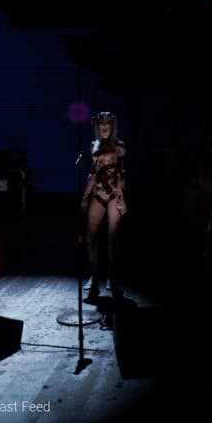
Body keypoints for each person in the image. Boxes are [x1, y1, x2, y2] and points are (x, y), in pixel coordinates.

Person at [82, 112, 127, 301]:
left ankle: (112, 277)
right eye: (101, 127)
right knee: (91, 236)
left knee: (113, 237)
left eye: (107, 126)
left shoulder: (120, 146)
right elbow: (93, 174)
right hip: (98, 193)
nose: (104, 129)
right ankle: (94, 276)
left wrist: (121, 198)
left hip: (114, 194)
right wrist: (86, 196)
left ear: (112, 127)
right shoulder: (93, 145)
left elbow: (122, 174)